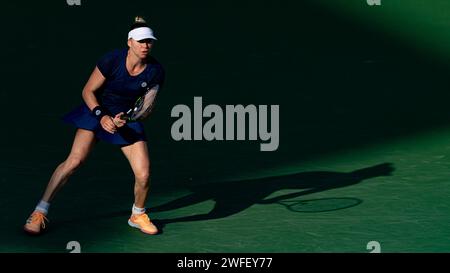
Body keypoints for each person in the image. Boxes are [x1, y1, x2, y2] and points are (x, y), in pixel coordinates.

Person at [24, 16, 165, 235]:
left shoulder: (155, 70)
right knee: (74, 161)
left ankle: (137, 214)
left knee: (144, 174)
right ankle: (40, 211)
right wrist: (101, 116)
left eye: (149, 41)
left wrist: (126, 119)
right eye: (140, 41)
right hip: (96, 110)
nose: (145, 45)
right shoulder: (112, 60)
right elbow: (87, 91)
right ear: (129, 42)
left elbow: (144, 109)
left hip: (123, 118)